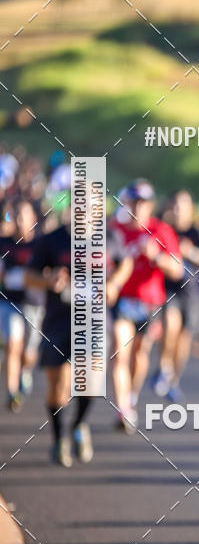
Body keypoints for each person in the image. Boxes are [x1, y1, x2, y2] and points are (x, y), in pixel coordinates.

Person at [25, 195, 95, 466]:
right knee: (57, 385)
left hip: (92, 321)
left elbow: (123, 263)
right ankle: (58, 440)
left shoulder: (108, 237)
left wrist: (113, 284)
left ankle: (79, 424)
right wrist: (49, 280)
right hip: (58, 320)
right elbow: (29, 276)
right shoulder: (51, 240)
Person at [110, 180, 182, 431]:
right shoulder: (115, 230)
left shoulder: (161, 230)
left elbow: (177, 270)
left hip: (149, 303)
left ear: (150, 205)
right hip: (121, 300)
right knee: (119, 352)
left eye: (143, 203)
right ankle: (123, 409)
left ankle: (131, 398)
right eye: (134, 202)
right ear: (126, 203)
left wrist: (156, 256)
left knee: (139, 355)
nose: (138, 207)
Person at [152, 190, 199, 400]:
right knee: (170, 325)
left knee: (184, 340)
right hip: (168, 288)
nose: (177, 210)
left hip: (192, 293)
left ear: (190, 209)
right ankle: (164, 368)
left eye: (182, 206)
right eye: (174, 205)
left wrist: (190, 252)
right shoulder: (165, 230)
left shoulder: (196, 233)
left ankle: (173, 380)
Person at [0, 198, 43, 410]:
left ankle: (24, 372)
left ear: (32, 219)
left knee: (28, 352)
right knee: (12, 345)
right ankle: (12, 392)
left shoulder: (41, 244)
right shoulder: (4, 243)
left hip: (35, 304)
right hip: (9, 302)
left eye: (23, 216)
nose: (18, 220)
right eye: (15, 216)